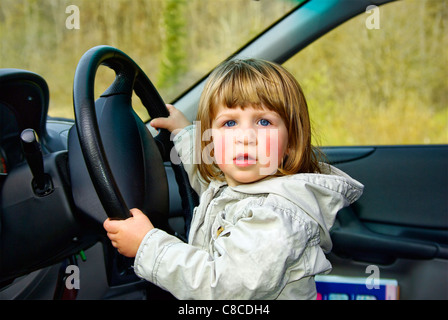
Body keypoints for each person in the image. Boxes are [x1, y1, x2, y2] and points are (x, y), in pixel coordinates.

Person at [103, 58, 364, 299]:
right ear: (211, 142)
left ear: (291, 144)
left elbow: (221, 285)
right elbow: (204, 177)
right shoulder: (237, 186)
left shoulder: (277, 216)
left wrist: (148, 245)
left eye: (263, 122)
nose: (245, 137)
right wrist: (182, 132)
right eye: (229, 124)